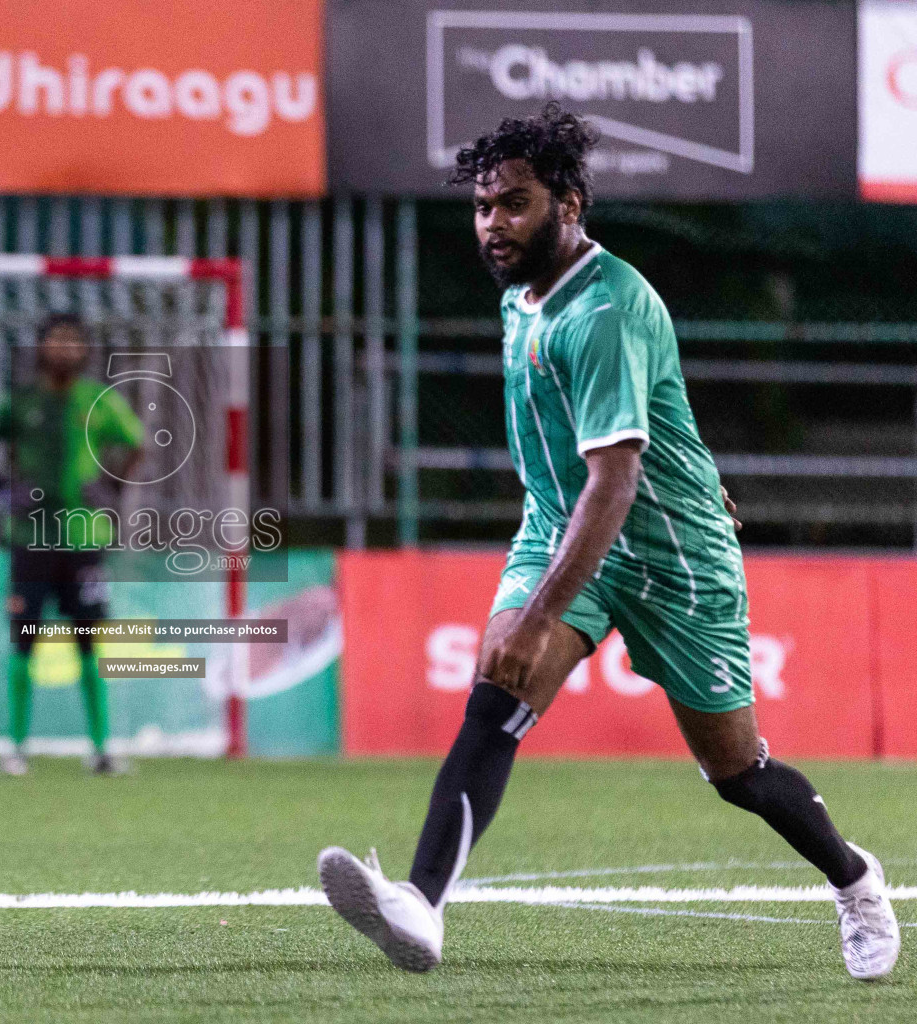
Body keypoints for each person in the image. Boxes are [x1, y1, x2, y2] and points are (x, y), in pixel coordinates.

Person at [317, 104, 900, 980]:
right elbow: (640, 426)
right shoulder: (522, 295)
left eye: (515, 204)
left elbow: (619, 477)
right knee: (495, 700)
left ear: (571, 203)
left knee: (738, 771)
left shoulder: (607, 307)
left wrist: (542, 608)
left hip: (673, 559)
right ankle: (420, 907)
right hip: (566, 527)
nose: (494, 223)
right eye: (483, 206)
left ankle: (856, 880)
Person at [0, 314, 143, 776]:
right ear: (41, 347)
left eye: (74, 341)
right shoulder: (19, 401)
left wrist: (112, 487)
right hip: (29, 539)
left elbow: (136, 441)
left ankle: (101, 748)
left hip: (84, 537)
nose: (65, 349)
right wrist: (0, 485)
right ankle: (16, 748)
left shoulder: (97, 401)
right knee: (23, 639)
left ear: (85, 350)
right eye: (57, 340)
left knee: (89, 641)